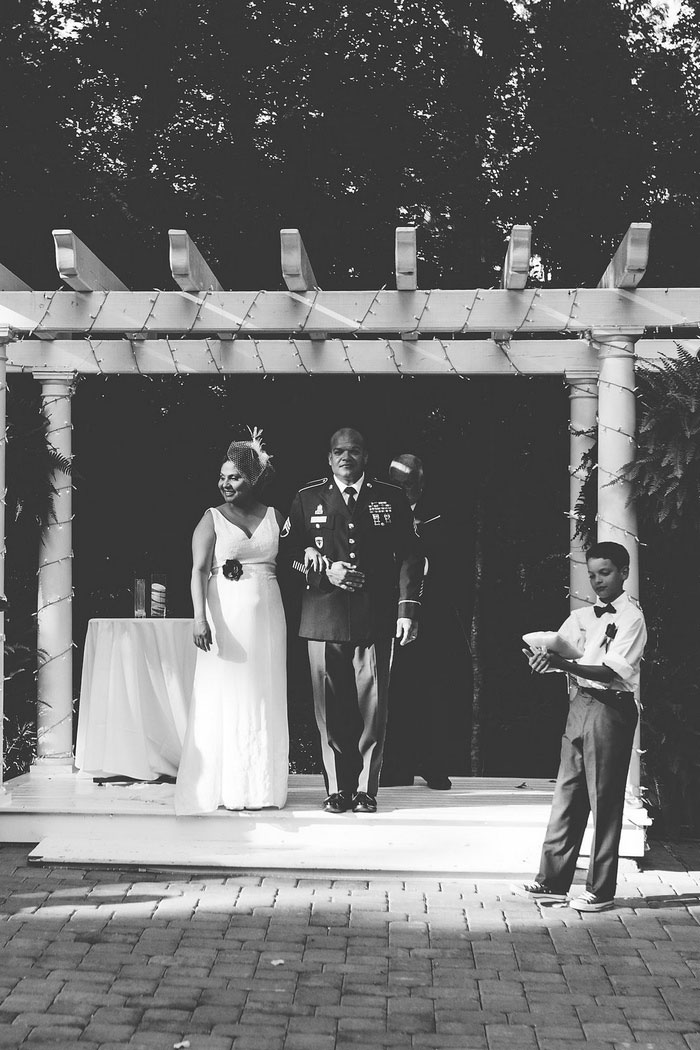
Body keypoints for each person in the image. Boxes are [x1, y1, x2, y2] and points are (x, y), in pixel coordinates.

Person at [280, 427, 424, 814]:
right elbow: (288, 555)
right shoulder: (307, 498)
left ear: (365, 457)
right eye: (339, 452)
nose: (346, 458)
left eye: (354, 451)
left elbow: (411, 556)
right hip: (322, 618)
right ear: (329, 459)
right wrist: (323, 573)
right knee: (329, 711)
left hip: (374, 617)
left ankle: (365, 789)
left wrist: (406, 610)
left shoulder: (390, 498)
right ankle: (336, 788)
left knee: (373, 708)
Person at [520, 541, 647, 912]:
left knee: (604, 800)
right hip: (580, 705)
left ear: (624, 573)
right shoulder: (581, 617)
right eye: (592, 574)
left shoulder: (631, 618)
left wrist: (564, 667)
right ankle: (552, 881)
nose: (597, 581)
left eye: (605, 573)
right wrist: (544, 660)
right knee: (568, 794)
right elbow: (561, 653)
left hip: (612, 707)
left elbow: (610, 671)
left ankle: (600, 890)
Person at [174, 429, 291, 814]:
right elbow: (197, 569)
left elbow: (296, 557)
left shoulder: (276, 517)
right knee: (226, 694)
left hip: (268, 617)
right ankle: (223, 785)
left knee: (263, 692)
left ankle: (260, 787)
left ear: (253, 480)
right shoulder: (211, 519)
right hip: (224, 616)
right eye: (222, 477)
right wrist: (199, 618)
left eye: (235, 477)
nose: (225, 483)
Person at [381, 454, 469, 790]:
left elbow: (451, 560)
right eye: (393, 484)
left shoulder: (441, 514)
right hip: (393, 612)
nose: (399, 490)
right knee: (395, 691)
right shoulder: (381, 511)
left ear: (420, 482)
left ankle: (435, 765)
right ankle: (395, 767)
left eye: (405, 484)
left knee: (436, 691)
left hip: (434, 613)